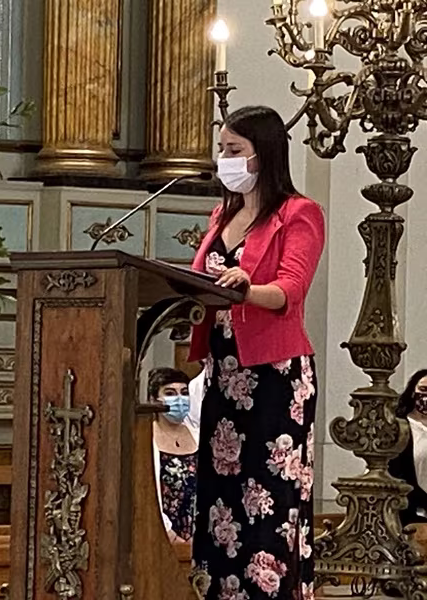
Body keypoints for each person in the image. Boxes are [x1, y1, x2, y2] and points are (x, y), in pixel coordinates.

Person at [188, 105, 325, 600]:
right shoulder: (221, 214)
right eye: (221, 149)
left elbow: (290, 289)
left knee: (267, 498)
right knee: (222, 497)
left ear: (263, 154)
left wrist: (247, 288)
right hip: (224, 374)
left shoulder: (298, 213)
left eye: (234, 150)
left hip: (274, 376)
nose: (223, 159)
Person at [150, 368, 205, 544]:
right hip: (160, 535)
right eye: (170, 393)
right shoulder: (146, 439)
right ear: (153, 400)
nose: (179, 399)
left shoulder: (199, 435)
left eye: (184, 392)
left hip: (200, 536)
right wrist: (171, 536)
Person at [390, 369, 427, 526]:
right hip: (410, 511)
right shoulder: (399, 426)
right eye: (423, 389)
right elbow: (396, 473)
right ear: (413, 392)